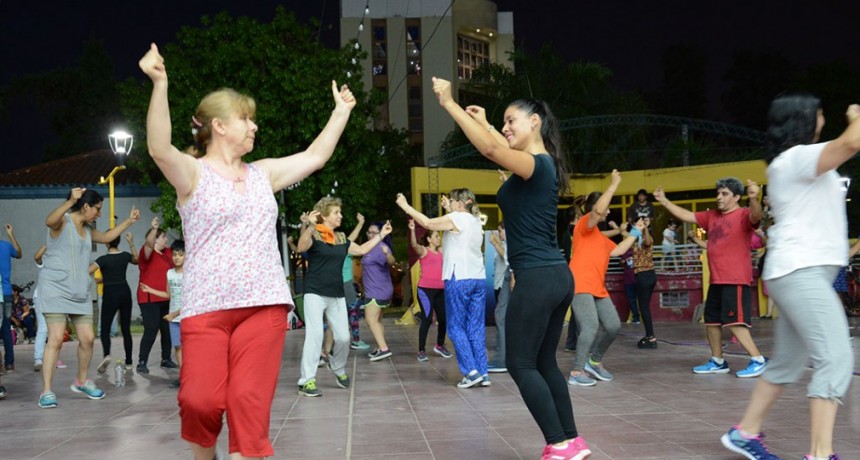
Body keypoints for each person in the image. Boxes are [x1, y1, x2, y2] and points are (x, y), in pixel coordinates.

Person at [140, 42, 356, 459]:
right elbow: (159, 149)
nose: (254, 126)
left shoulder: (263, 174)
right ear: (219, 126)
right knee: (200, 402)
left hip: (264, 305)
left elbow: (315, 156)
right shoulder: (193, 174)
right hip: (206, 307)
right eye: (246, 119)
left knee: (247, 405)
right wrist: (160, 83)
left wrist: (340, 112)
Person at [430, 76, 591, 460]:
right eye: (502, 122)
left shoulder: (537, 165)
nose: (505, 127)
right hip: (554, 276)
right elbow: (498, 144)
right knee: (543, 362)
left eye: (510, 120)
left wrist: (449, 104)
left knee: (520, 363)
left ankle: (559, 443)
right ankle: (571, 440)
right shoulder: (538, 166)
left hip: (538, 277)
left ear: (535, 122)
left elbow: (490, 149)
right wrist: (487, 122)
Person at [721, 95, 860, 460]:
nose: (823, 117)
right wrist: (855, 117)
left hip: (799, 271)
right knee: (836, 358)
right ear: (802, 119)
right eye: (819, 112)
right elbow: (852, 142)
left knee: (788, 363)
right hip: (801, 272)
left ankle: (745, 432)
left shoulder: (797, 161)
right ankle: (820, 454)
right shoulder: (796, 158)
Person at [654, 178, 768, 378]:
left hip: (735, 279)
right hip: (716, 279)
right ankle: (717, 361)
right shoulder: (712, 216)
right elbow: (687, 215)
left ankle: (758, 359)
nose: (719, 197)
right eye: (718, 193)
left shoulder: (743, 215)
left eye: (724, 194)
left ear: (736, 197)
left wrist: (753, 198)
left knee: (734, 322)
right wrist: (664, 201)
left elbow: (756, 216)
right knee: (712, 321)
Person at [37, 188, 140, 409]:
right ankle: (46, 391)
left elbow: (107, 237)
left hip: (79, 291)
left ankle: (82, 381)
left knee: (88, 338)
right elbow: (49, 221)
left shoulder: (87, 229)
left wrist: (129, 221)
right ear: (85, 206)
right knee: (56, 338)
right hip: (55, 288)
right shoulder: (62, 222)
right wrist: (69, 201)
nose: (99, 213)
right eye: (97, 208)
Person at [295, 199, 391, 396]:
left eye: (340, 212)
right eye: (336, 212)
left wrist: (381, 235)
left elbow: (362, 249)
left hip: (336, 293)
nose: (340, 215)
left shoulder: (340, 238)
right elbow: (301, 247)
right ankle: (307, 380)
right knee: (315, 335)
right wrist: (310, 226)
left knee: (344, 337)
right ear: (324, 215)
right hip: (315, 292)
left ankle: (337, 367)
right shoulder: (315, 233)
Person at [397, 189, 487, 387]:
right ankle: (482, 372)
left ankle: (471, 372)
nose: (450, 203)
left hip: (459, 278)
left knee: (455, 327)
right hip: (478, 278)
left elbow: (428, 223)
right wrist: (449, 209)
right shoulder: (474, 220)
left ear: (461, 203)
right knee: (475, 327)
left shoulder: (457, 218)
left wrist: (406, 207)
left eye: (452, 201)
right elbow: (456, 227)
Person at [568, 171, 646, 387]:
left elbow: (619, 250)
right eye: (607, 206)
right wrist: (613, 185)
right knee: (590, 327)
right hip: (580, 283)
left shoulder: (599, 238)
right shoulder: (583, 226)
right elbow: (598, 210)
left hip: (597, 287)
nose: (609, 211)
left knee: (613, 325)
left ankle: (594, 361)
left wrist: (635, 232)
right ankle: (576, 371)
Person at [90, 232, 138, 374]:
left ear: (106, 242)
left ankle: (107, 355)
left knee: (105, 328)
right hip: (124, 291)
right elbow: (137, 260)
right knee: (126, 329)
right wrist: (131, 242)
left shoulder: (103, 259)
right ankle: (129, 362)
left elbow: (89, 270)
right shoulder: (125, 256)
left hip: (110, 293)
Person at [140, 240, 186, 389]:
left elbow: (191, 299)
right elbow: (168, 295)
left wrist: (175, 314)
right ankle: (183, 377)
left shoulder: (190, 273)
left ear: (187, 256)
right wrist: (149, 290)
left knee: (190, 348)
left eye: (181, 254)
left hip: (187, 317)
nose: (177, 257)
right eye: (174, 254)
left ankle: (192, 376)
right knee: (178, 347)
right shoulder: (170, 273)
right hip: (174, 318)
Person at [408, 218, 450, 363]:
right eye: (436, 236)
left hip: (440, 290)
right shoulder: (424, 251)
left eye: (439, 236)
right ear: (429, 239)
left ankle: (440, 345)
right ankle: (421, 350)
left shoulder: (441, 252)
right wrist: (412, 230)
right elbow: (414, 245)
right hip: (425, 290)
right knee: (426, 319)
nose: (439, 238)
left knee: (443, 319)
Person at [136, 217, 175, 374]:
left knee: (167, 329)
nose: (166, 239)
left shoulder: (168, 253)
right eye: (163, 236)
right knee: (151, 329)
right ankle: (142, 362)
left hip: (166, 297)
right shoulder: (147, 254)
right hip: (149, 299)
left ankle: (166, 359)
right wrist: (154, 229)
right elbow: (148, 244)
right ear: (156, 239)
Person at [361, 221, 397, 361]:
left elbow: (392, 261)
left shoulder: (381, 246)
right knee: (377, 320)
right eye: (369, 232)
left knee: (370, 319)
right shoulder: (369, 246)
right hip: (374, 289)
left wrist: (387, 254)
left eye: (374, 233)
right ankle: (379, 346)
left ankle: (384, 349)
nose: (370, 235)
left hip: (378, 290)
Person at [344, 213, 370, 351]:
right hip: (346, 283)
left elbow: (350, 238)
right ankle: (356, 340)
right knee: (353, 311)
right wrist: (360, 223)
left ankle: (336, 343)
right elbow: (353, 241)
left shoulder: (337, 247)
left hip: (338, 283)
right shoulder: (345, 247)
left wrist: (360, 223)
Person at [487, 221, 510, 372]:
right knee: (502, 317)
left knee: (501, 316)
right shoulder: (505, 244)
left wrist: (495, 242)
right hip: (500, 284)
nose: (499, 233)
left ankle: (503, 357)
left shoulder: (509, 244)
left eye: (500, 231)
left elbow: (507, 257)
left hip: (505, 283)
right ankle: (503, 353)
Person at [633, 216, 658, 348]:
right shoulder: (636, 238)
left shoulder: (647, 237)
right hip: (644, 275)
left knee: (643, 307)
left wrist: (645, 227)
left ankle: (651, 337)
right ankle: (650, 335)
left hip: (645, 274)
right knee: (644, 307)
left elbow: (647, 242)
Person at [1, 223, 23, 372]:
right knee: (5, 328)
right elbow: (19, 253)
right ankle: (9, 362)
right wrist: (10, 235)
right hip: (7, 292)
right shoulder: (6, 245)